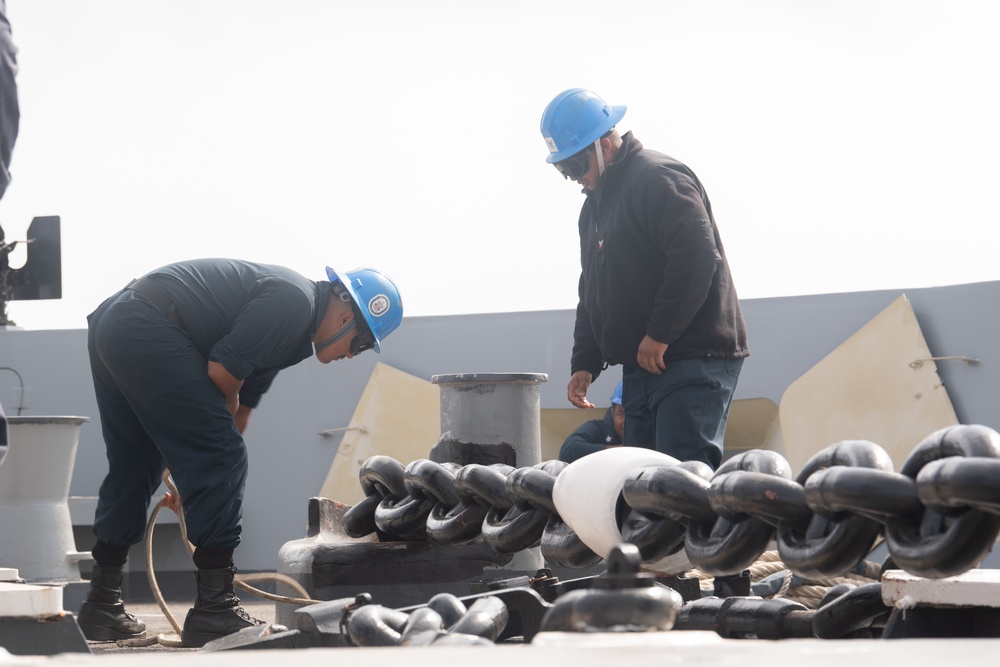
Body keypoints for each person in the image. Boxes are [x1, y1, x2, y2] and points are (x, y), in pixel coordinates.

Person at [79, 258, 403, 647]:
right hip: (146, 323)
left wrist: (198, 478)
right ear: (345, 317)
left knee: (138, 462)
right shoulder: (293, 304)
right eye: (362, 344)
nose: (353, 355)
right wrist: (202, 468)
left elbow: (239, 412)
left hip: (117, 324)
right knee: (221, 455)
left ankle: (101, 605)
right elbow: (220, 377)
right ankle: (216, 609)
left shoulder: (296, 332)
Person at [540, 88, 748, 471]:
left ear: (604, 146)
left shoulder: (659, 178)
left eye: (573, 168)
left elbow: (697, 258)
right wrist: (584, 361)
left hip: (690, 358)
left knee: (679, 479)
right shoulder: (594, 209)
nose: (572, 179)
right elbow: (593, 289)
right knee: (639, 481)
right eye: (562, 170)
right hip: (643, 366)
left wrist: (661, 333)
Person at [559, 381, 624, 463]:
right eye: (621, 413)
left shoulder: (645, 432)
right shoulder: (598, 429)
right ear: (612, 412)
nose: (628, 421)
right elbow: (568, 451)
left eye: (634, 415)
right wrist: (621, 451)